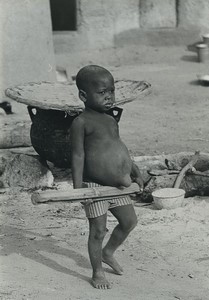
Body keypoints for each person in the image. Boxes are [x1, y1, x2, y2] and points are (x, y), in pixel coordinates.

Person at [70, 65, 144, 289]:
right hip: (95, 187)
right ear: (83, 95)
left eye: (111, 91)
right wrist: (78, 188)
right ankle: (97, 271)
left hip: (118, 186)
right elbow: (77, 154)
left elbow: (119, 148)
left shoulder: (111, 119)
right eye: (102, 93)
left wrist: (135, 172)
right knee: (98, 230)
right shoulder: (80, 123)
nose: (109, 97)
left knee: (129, 222)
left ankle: (108, 252)